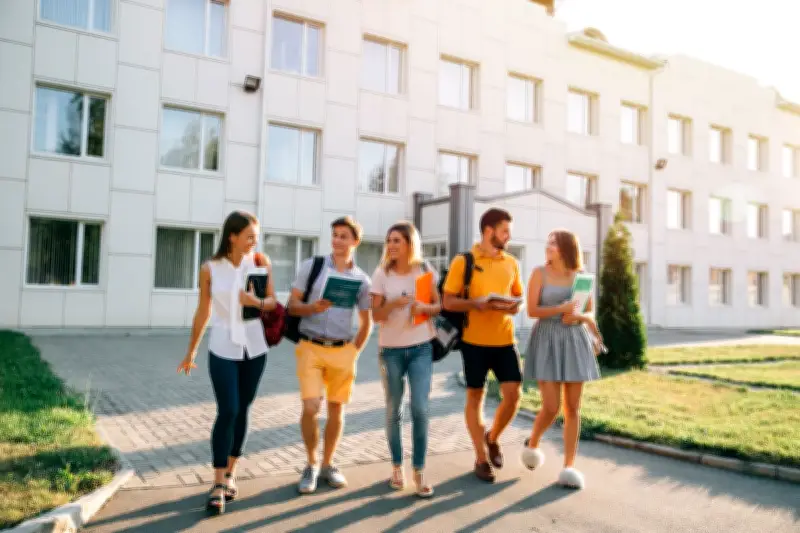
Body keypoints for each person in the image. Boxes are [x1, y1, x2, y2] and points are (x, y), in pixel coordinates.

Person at [177, 211, 277, 514]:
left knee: (243, 409)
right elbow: (203, 311)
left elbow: (273, 301)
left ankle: (232, 474)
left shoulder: (260, 262)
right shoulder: (210, 268)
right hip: (222, 346)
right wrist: (191, 351)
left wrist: (255, 303)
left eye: (256, 237)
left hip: (255, 348)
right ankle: (218, 482)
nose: (254, 242)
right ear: (232, 236)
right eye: (249, 236)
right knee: (228, 409)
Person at [288, 216, 373, 494]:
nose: (337, 240)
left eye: (343, 236)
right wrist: (313, 308)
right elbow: (292, 306)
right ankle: (311, 464)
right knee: (311, 407)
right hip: (310, 346)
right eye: (334, 235)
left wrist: (354, 352)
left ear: (355, 242)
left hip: (342, 350)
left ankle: (328, 464)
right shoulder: (312, 267)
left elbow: (366, 321)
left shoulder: (362, 280)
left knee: (337, 409)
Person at [442, 208, 524, 483]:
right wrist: (475, 304)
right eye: (505, 231)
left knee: (513, 396)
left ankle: (493, 437)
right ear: (489, 231)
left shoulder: (511, 262)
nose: (509, 236)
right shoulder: (463, 261)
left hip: (505, 340)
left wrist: (513, 307)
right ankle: (480, 458)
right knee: (475, 398)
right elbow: (448, 301)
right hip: (473, 342)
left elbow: (517, 296)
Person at [520, 230, 602, 490]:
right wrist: (561, 309)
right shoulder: (538, 274)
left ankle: (569, 466)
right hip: (546, 339)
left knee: (573, 408)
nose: (548, 246)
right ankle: (532, 443)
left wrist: (578, 316)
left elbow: (587, 311)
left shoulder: (580, 277)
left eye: (553, 243)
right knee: (551, 406)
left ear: (566, 249)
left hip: (575, 340)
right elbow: (532, 311)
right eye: (548, 243)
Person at [370, 221, 440, 498]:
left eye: (396, 240)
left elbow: (438, 305)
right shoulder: (381, 274)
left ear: (410, 244)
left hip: (421, 347)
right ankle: (397, 467)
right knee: (393, 410)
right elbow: (375, 315)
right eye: (389, 241)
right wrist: (393, 304)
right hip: (391, 350)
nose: (391, 246)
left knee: (421, 409)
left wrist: (425, 307)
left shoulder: (425, 269)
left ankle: (419, 470)